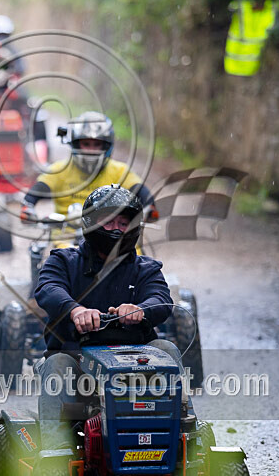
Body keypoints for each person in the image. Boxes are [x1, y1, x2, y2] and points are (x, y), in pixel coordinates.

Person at [33, 184, 180, 451]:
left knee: (167, 349)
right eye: (107, 220)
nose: (115, 229)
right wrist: (75, 310)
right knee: (56, 364)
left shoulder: (146, 269)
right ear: (91, 223)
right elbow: (47, 289)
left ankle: (183, 436)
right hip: (78, 365)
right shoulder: (63, 261)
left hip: (136, 363)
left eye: (123, 222)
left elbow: (161, 299)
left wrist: (140, 310)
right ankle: (55, 453)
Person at [20, 111, 158, 222]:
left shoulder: (119, 171)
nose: (91, 150)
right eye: (86, 144)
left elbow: (139, 190)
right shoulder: (59, 170)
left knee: (135, 255)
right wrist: (28, 206)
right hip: (66, 238)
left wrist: (149, 207)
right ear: (75, 144)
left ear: (106, 146)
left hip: (112, 237)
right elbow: (38, 190)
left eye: (96, 144)